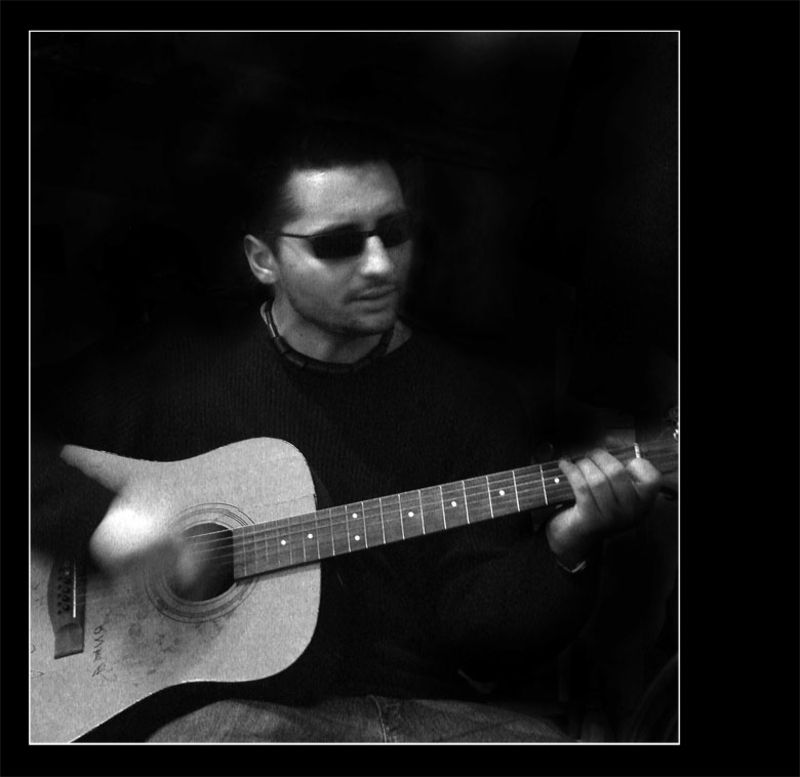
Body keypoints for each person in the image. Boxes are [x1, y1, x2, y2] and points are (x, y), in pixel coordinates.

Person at [31, 117, 663, 743]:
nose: (380, 265)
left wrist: (567, 548)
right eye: (338, 244)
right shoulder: (172, 369)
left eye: (395, 232)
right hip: (230, 720)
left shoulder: (471, 400)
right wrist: (99, 521)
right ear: (263, 259)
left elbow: (476, 631)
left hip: (418, 717)